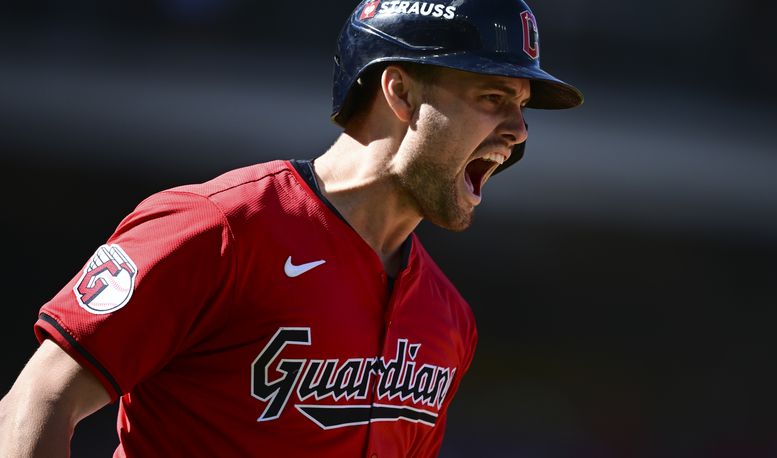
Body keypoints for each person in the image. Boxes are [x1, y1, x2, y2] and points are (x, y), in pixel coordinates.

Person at [0, 0, 582, 456]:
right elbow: (36, 403)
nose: (519, 129)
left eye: (522, 105)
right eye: (492, 96)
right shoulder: (223, 228)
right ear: (400, 93)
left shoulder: (449, 319)